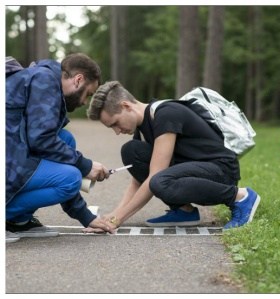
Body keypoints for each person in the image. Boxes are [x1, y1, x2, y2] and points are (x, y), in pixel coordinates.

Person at [86, 81, 261, 230]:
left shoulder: (165, 114)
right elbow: (138, 181)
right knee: (131, 151)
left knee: (160, 181)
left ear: (126, 106)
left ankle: (240, 197)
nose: (117, 131)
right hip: (193, 171)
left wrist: (118, 218)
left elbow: (155, 176)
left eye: (115, 123)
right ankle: (184, 211)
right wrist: (114, 214)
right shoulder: (141, 130)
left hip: (220, 171)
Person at [5, 53, 115, 243]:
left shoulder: (46, 80)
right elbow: (40, 139)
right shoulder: (45, 81)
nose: (85, 102)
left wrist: (86, 217)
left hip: (12, 151)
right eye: (88, 94)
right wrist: (85, 165)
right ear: (78, 80)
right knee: (70, 178)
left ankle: (17, 221)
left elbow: (42, 140)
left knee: (65, 140)